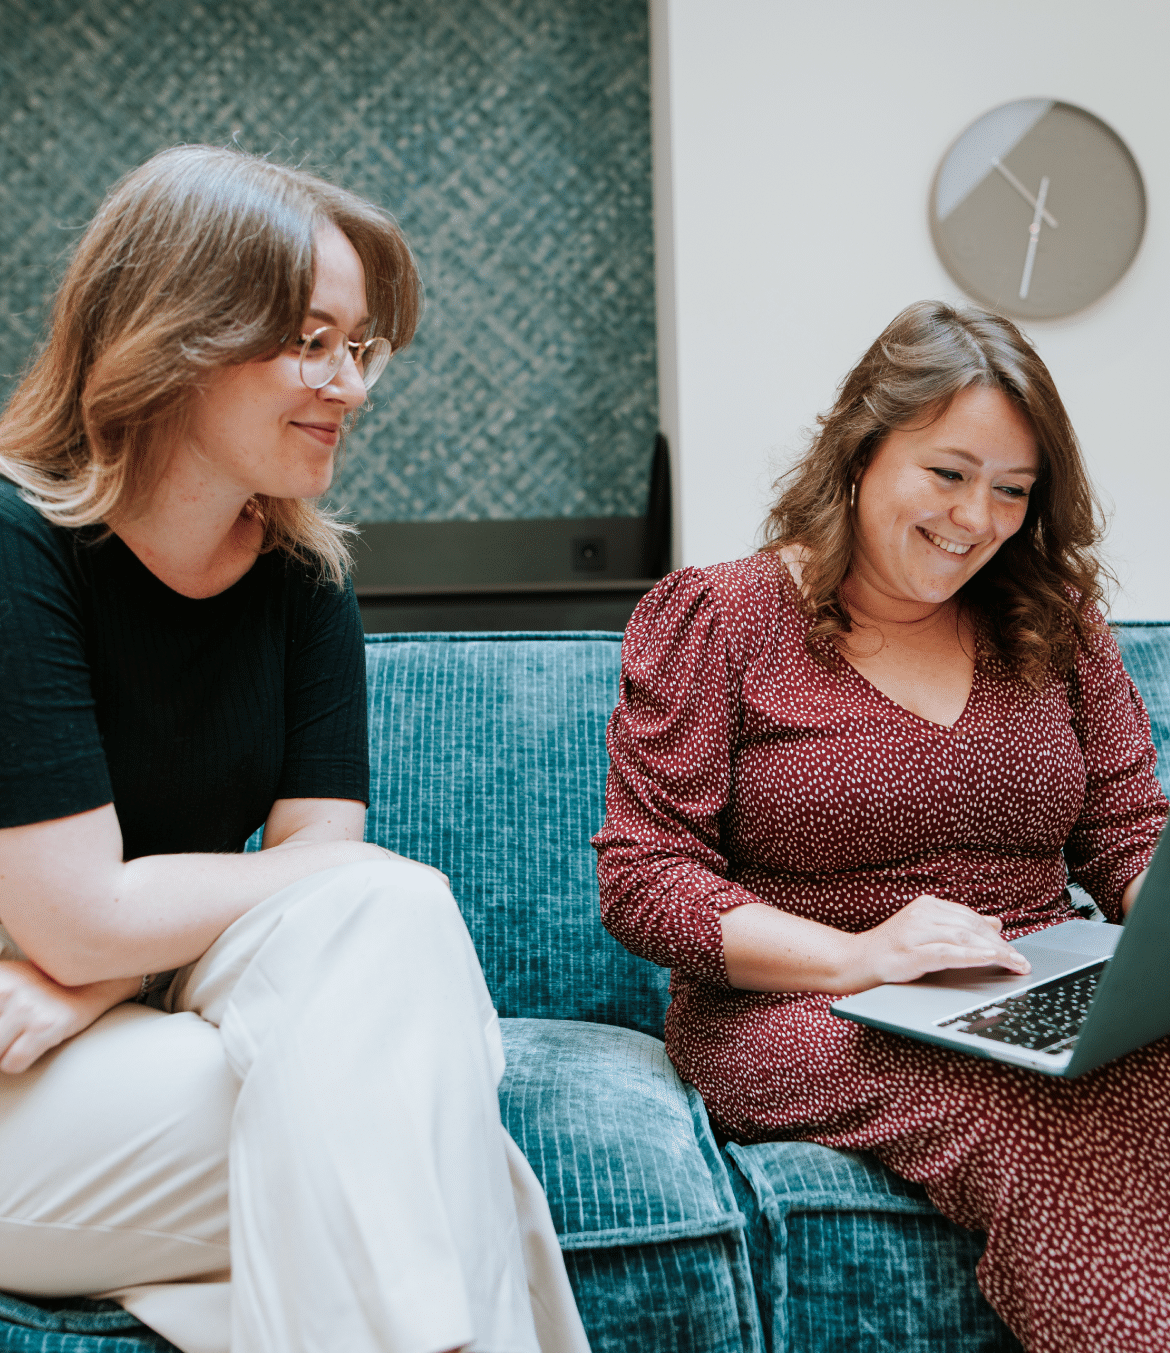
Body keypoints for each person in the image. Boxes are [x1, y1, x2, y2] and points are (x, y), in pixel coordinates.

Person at [0, 145, 590, 1353]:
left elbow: (324, 887)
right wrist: (95, 948)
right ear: (175, 334)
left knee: (390, 938)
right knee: (426, 1127)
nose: (353, 384)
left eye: (359, 346)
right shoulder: (18, 547)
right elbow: (74, 912)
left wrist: (101, 972)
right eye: (310, 340)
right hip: (14, 1071)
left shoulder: (304, 575)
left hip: (120, 1017)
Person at [593, 301, 1169, 1353]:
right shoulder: (718, 620)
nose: (976, 518)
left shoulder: (1052, 616)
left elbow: (1128, 826)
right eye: (948, 473)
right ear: (860, 451)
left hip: (1027, 979)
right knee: (1017, 1102)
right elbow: (646, 877)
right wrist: (862, 955)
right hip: (806, 1005)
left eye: (1012, 490)